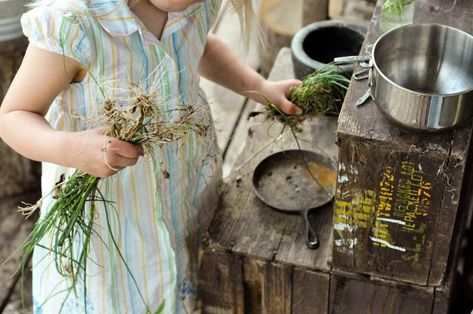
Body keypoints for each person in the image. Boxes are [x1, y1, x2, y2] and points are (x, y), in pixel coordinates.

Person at [0, 0, 302, 312]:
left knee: (180, 275)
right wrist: (73, 149)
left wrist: (259, 86)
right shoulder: (74, 25)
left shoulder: (190, 5)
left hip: (185, 190)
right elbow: (13, 115)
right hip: (111, 222)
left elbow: (201, 46)